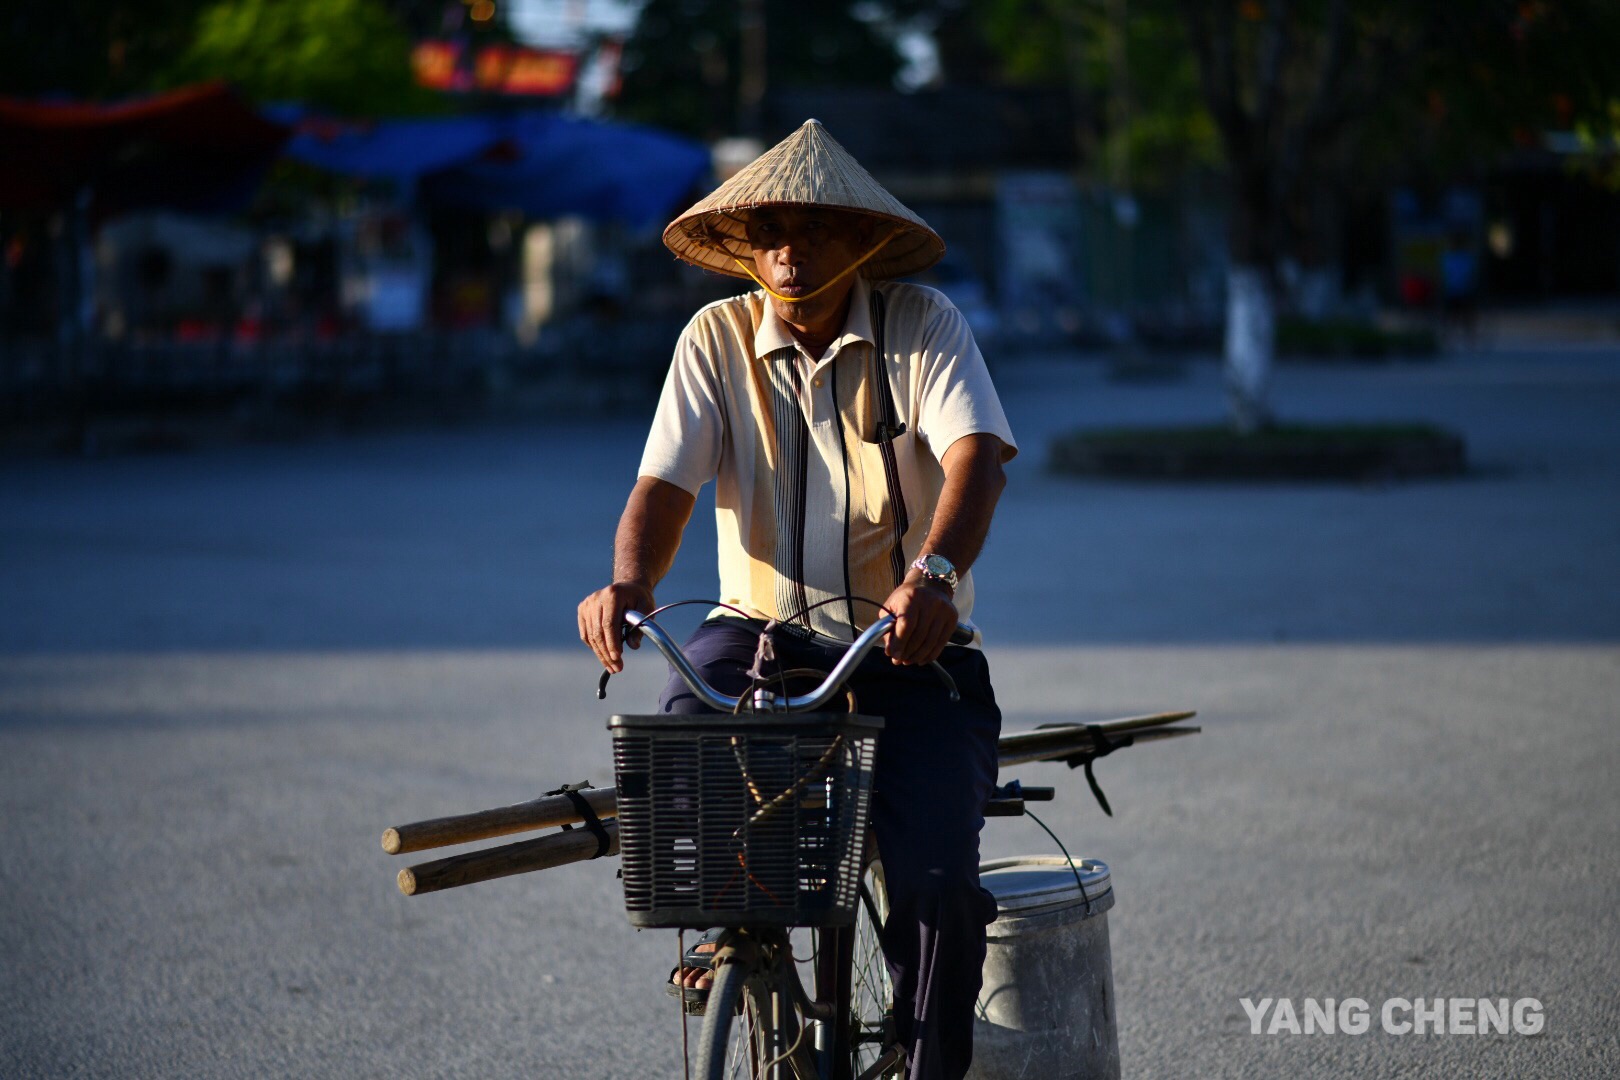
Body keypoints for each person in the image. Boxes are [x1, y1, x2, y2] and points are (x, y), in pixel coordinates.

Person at [577, 119, 1017, 1080]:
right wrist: (630, 582)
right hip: (757, 638)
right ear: (746, 245)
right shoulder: (713, 338)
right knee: (683, 754)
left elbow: (976, 459)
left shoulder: (923, 324)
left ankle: (926, 1060)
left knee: (939, 889)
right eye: (771, 230)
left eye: (816, 228)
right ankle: (732, 936)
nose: (791, 250)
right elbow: (662, 487)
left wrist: (934, 580)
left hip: (909, 648)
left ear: (861, 239)